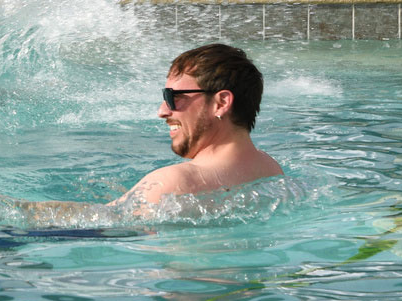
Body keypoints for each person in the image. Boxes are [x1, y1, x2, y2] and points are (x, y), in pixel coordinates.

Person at [119, 43, 282, 205]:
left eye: (174, 97)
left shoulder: (173, 183)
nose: (162, 111)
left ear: (221, 103)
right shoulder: (271, 170)